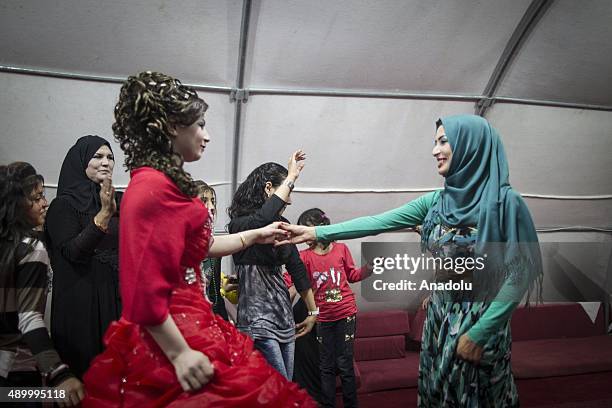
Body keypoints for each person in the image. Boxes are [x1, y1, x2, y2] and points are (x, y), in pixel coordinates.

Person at [82, 71, 316, 407]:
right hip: (174, 328)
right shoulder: (151, 188)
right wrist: (179, 355)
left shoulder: (164, 183)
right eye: (200, 125)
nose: (206, 136)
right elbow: (139, 288)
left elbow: (199, 249)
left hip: (195, 320)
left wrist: (255, 234)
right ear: (172, 127)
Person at [280, 114, 542, 407]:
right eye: (434, 142)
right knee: (438, 394)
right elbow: (377, 222)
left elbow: (519, 275)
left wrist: (481, 333)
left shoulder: (507, 204)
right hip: (440, 320)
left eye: (444, 141)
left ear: (471, 146)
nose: (435, 150)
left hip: (479, 321)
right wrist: (316, 231)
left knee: (477, 396)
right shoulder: (436, 202)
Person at [0, 162, 85, 407]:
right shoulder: (30, 248)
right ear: (16, 205)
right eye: (37, 198)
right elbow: (29, 318)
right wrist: (60, 373)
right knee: (61, 397)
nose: (44, 204)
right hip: (17, 375)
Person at [228, 157, 318, 380]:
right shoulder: (241, 225)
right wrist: (291, 177)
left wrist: (313, 312)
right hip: (257, 321)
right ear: (269, 188)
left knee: (285, 386)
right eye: (286, 194)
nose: (288, 202)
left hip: (284, 318)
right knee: (277, 388)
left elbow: (297, 269)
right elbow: (262, 220)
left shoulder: (281, 224)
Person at [45, 135, 121, 379]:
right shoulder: (63, 206)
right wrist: (104, 216)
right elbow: (74, 252)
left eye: (110, 157)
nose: (105, 162)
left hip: (114, 303)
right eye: (97, 156)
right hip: (79, 307)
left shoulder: (119, 201)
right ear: (80, 163)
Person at [297, 208, 372, 408]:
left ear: (320, 228)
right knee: (326, 366)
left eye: (307, 229)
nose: (304, 235)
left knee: (345, 364)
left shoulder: (341, 249)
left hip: (346, 314)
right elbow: (293, 282)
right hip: (323, 318)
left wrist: (370, 269)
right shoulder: (304, 257)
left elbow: (352, 276)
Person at [194, 180, 229, 321]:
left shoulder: (213, 244)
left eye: (213, 201)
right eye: (204, 201)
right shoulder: (179, 241)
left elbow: (214, 292)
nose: (212, 207)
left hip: (212, 315)